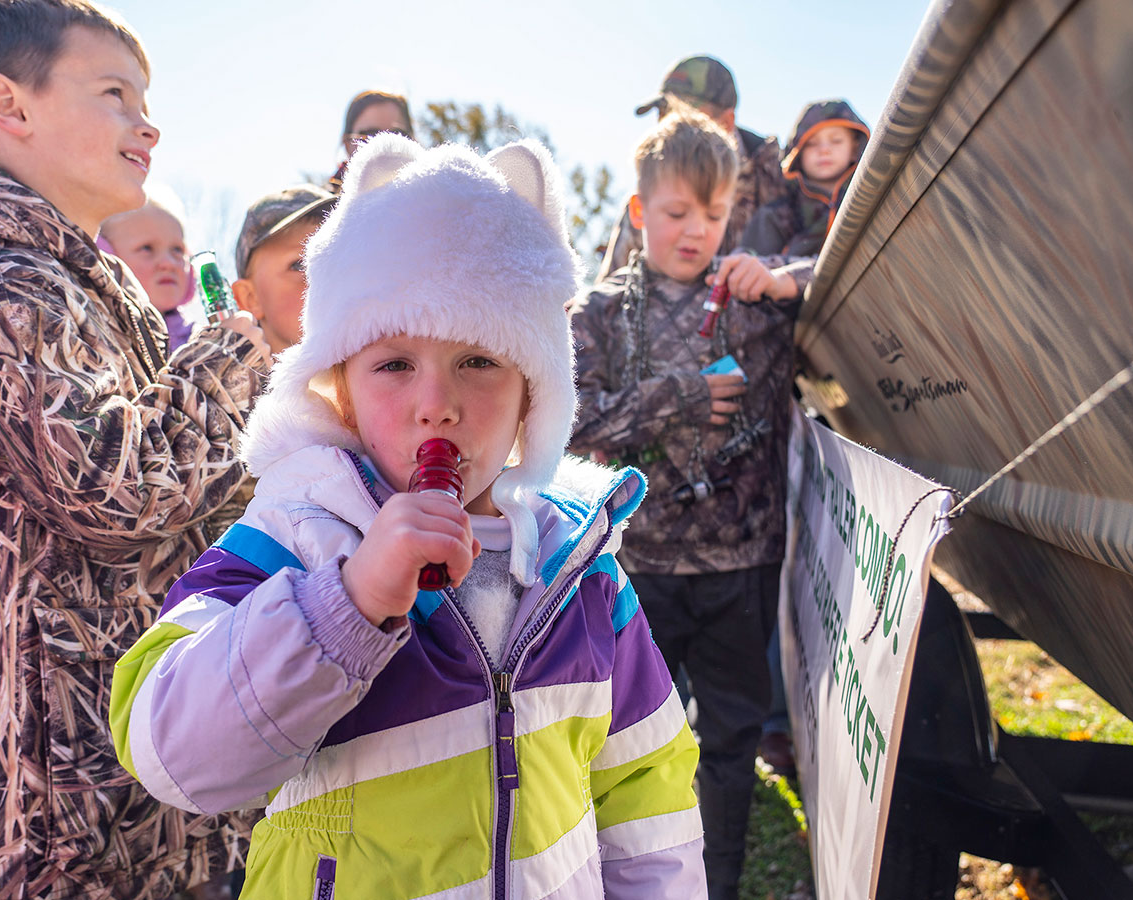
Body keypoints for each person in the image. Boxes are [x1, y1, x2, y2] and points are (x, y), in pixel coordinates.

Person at [110, 134, 705, 898]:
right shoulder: (294, 535)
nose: (438, 404)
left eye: (480, 360)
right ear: (342, 392)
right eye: (394, 364)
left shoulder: (582, 569)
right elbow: (170, 752)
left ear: (534, 395)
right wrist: (348, 603)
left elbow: (646, 792)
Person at [0, 2, 269, 898]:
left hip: (103, 783)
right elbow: (116, 492)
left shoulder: (66, 282)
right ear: (10, 106)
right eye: (115, 94)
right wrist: (229, 359)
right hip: (32, 816)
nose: (146, 122)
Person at [567, 106, 810, 900]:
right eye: (676, 212)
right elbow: (572, 413)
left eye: (713, 213)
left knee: (733, 742)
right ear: (639, 212)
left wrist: (782, 280)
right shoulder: (600, 312)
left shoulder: (754, 296)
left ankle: (722, 882)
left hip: (742, 568)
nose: (695, 231)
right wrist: (682, 395)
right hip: (639, 573)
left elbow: (843, 280)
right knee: (630, 745)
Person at [596, 55, 786, 281]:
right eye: (663, 114)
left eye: (686, 115)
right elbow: (610, 289)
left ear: (727, 122)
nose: (671, 126)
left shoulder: (780, 178)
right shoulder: (649, 196)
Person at [741, 99, 871, 258]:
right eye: (812, 144)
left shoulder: (872, 203)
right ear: (797, 154)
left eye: (836, 141)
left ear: (855, 149)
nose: (824, 150)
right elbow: (750, 267)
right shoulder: (775, 216)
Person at [98, 185, 206, 352]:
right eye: (147, 248)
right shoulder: (96, 335)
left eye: (177, 250)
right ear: (106, 256)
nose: (168, 263)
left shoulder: (202, 341)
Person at [230, 184, 335, 355]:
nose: (328, 276)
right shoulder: (227, 378)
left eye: (337, 261)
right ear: (250, 298)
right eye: (299, 265)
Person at [328, 89, 415, 192]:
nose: (386, 148)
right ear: (348, 144)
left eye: (398, 135)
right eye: (370, 136)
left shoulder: (435, 200)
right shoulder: (313, 204)